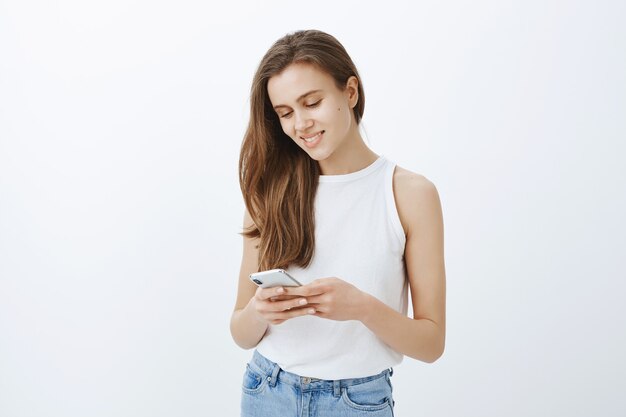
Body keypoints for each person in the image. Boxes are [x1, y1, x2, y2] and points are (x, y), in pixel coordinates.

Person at [230, 29, 446, 417]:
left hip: (357, 402)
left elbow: (431, 344)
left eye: (312, 102)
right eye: (285, 113)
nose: (301, 124)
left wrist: (362, 307)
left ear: (350, 92)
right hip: (267, 391)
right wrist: (259, 311)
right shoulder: (269, 193)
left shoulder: (409, 194)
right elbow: (240, 333)